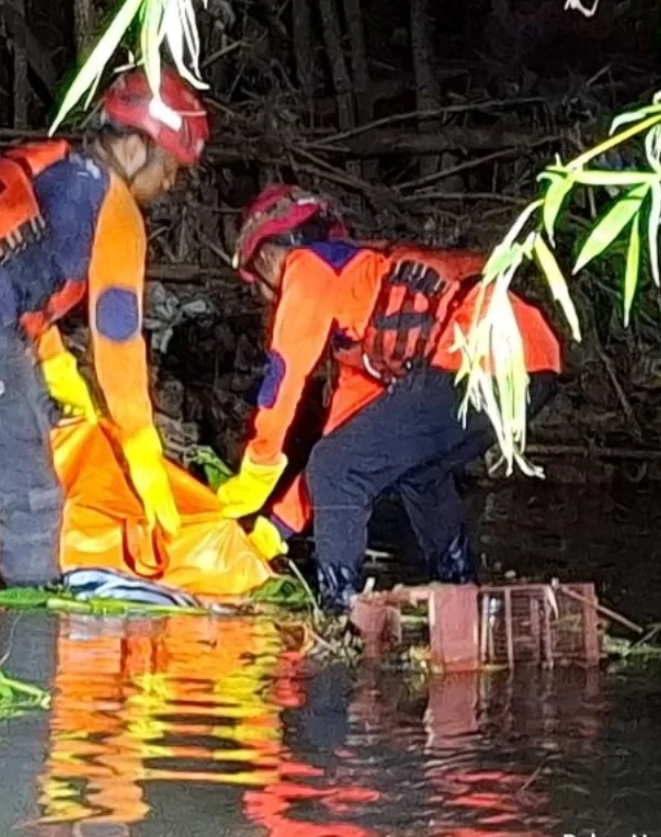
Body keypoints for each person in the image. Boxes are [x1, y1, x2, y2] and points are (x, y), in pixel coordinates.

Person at [0, 66, 210, 590]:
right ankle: (28, 653)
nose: (170, 185)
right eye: (172, 168)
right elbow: (117, 339)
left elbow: (11, 280)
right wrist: (143, 452)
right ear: (137, 147)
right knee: (32, 506)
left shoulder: (41, 163)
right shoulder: (112, 206)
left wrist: (64, 383)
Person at [214, 184, 563, 610]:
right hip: (534, 363)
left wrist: (256, 472)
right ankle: (463, 589)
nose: (267, 300)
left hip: (482, 354)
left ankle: (338, 611)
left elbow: (282, 380)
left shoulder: (307, 268)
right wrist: (273, 531)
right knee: (415, 470)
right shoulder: (360, 311)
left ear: (268, 255)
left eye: (259, 286)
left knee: (339, 466)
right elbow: (340, 442)